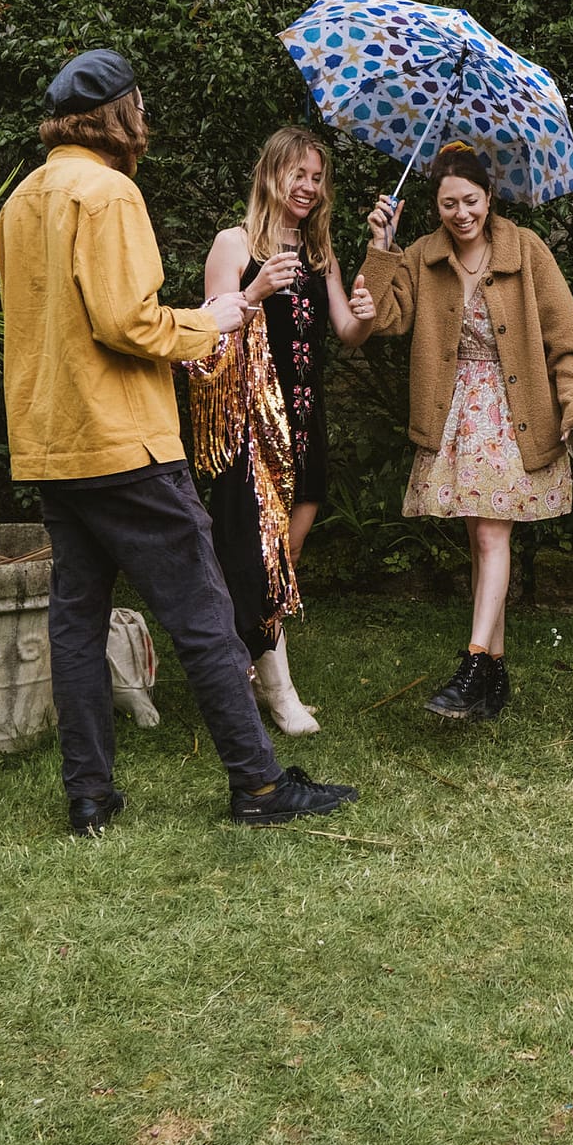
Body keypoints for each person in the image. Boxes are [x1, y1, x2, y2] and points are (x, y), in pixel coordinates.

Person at [0, 48, 358, 835]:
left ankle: (89, 796)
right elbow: (127, 322)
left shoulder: (23, 198)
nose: (146, 119)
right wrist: (211, 321)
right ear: (115, 114)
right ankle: (259, 786)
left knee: (76, 623)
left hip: (50, 443)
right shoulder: (110, 193)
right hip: (123, 442)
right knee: (204, 611)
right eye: (140, 104)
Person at [359, 142, 573, 721]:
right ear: (435, 206)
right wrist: (379, 248)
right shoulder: (421, 255)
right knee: (479, 543)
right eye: (448, 204)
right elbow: (381, 318)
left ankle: (471, 665)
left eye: (470, 200)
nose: (461, 213)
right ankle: (494, 673)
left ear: (489, 199)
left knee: (492, 540)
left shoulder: (528, 251)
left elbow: (566, 337)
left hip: (511, 413)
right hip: (454, 413)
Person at [194, 127, 376, 735]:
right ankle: (282, 695)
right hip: (250, 424)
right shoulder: (235, 242)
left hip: (305, 419)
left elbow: (346, 331)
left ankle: (240, 667)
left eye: (317, 177)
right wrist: (254, 288)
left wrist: (366, 317)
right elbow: (208, 338)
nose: (308, 186)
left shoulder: (318, 249)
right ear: (271, 173)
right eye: (298, 173)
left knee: (285, 554)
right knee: (260, 555)